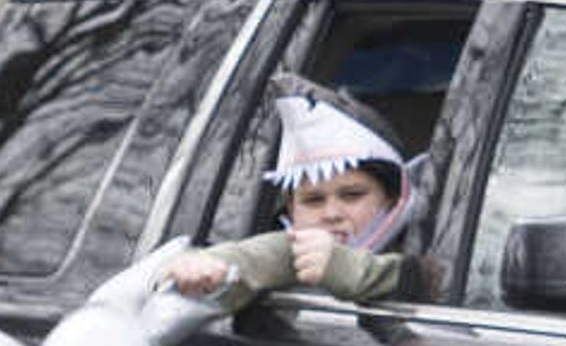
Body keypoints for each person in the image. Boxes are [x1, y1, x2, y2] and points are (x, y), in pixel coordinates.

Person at [167, 76, 422, 310]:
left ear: (392, 198)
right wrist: (201, 265)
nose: (331, 214)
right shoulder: (295, 254)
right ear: (291, 209)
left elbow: (430, 281)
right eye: (313, 200)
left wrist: (350, 270)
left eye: (352, 195)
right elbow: (255, 258)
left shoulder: (430, 243)